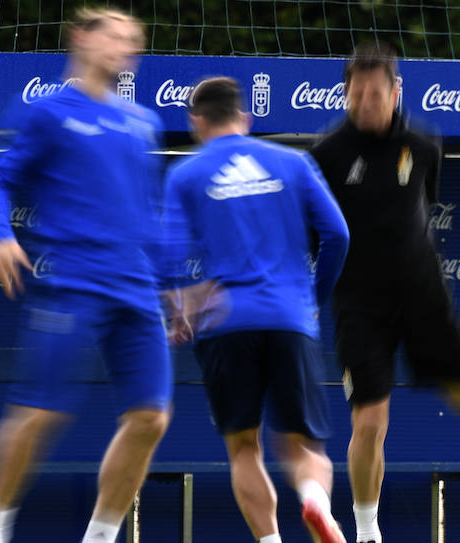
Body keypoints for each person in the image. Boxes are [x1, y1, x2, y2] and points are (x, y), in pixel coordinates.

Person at [0, 8, 171, 543]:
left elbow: (148, 215)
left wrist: (174, 284)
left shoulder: (144, 122)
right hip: (72, 286)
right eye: (115, 35)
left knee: (152, 418)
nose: (126, 47)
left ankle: (101, 536)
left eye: (134, 41)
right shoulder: (47, 113)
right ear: (81, 38)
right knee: (39, 412)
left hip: (138, 292)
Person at [309, 43, 460, 543]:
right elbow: (314, 235)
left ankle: (435, 365)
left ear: (396, 92)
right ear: (345, 95)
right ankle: (366, 531)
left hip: (424, 298)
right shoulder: (325, 156)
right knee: (369, 422)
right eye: (357, 94)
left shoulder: (424, 145)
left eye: (376, 93)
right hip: (358, 306)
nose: (366, 102)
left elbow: (422, 207)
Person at [162, 77, 350, 543]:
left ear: (196, 122)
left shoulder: (185, 173)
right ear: (245, 118)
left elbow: (166, 258)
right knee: (303, 447)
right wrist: (312, 300)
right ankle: (314, 501)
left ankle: (270, 541)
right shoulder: (294, 162)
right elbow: (339, 236)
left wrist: (180, 309)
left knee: (244, 448)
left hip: (225, 323)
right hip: (289, 317)